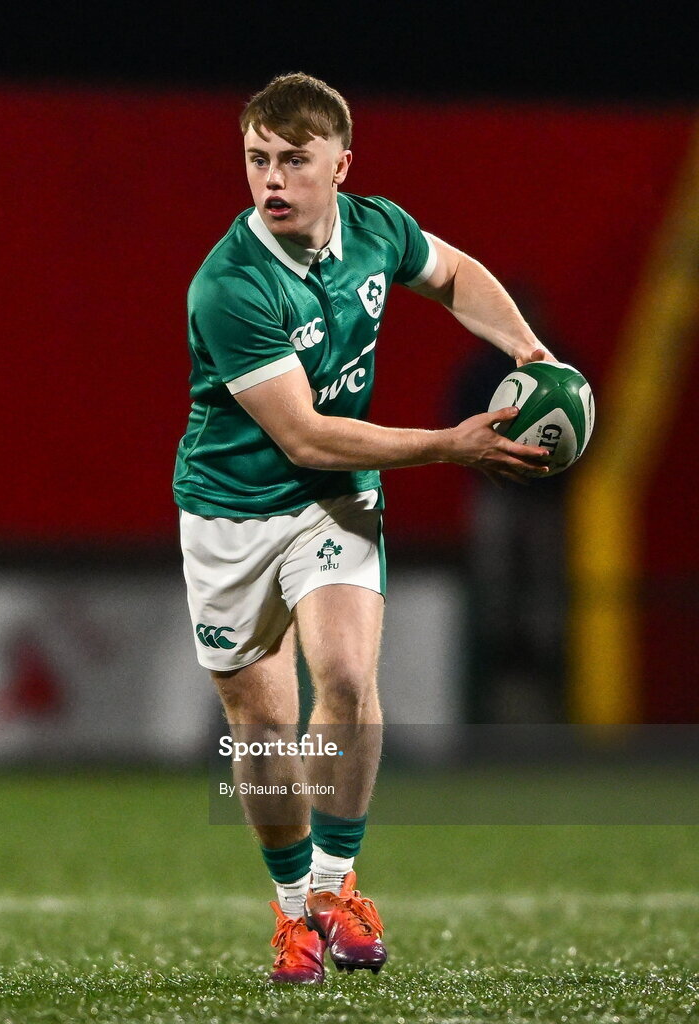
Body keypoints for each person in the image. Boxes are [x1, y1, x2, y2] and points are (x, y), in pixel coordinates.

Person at [173, 72, 553, 985]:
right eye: (258, 159)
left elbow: (454, 272)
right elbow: (302, 430)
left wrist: (526, 349)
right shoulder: (230, 285)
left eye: (294, 161)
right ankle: (293, 907)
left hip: (335, 500)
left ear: (342, 164)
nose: (272, 179)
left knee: (343, 675)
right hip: (230, 510)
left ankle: (338, 893)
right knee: (259, 728)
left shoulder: (377, 228)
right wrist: (450, 445)